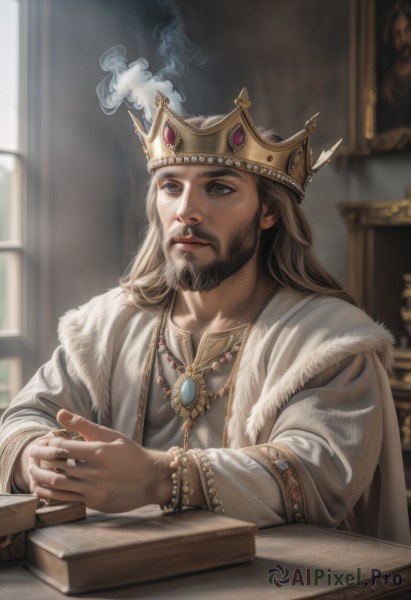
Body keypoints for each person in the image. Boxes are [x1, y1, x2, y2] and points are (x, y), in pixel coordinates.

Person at [0, 88, 409, 544]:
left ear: (269, 211)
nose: (186, 211)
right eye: (170, 186)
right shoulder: (104, 326)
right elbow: (26, 415)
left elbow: (318, 473)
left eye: (218, 188)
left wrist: (162, 478)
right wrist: (35, 453)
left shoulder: (330, 341)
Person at [378, 0, 411, 131]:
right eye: (398, 34)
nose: (403, 40)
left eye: (407, 30)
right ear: (391, 39)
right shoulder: (387, 84)